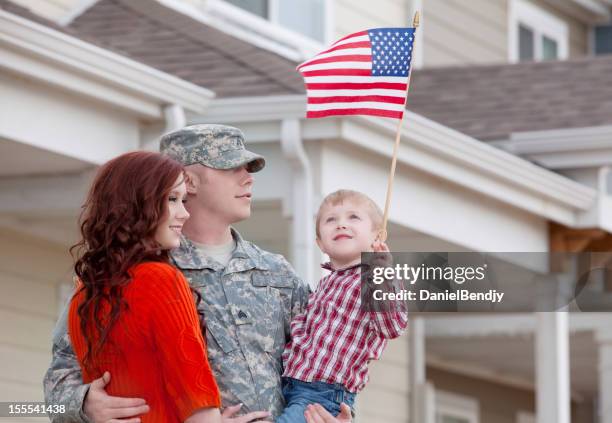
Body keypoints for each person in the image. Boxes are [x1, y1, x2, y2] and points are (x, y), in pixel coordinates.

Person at [44, 124, 320, 422]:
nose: (248, 178)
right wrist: (83, 406)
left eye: (248, 168)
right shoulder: (130, 274)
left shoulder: (276, 272)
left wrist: (330, 412)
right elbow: (57, 383)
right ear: (188, 180)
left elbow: (337, 341)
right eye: (231, 167)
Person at [66, 151, 222, 422]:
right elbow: (198, 401)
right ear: (136, 205)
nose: (184, 213)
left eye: (183, 200)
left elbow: (17, 408)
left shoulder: (83, 295)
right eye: (172, 199)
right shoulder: (161, 280)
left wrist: (80, 407)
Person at [276, 190, 408, 423]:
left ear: (377, 237)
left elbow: (392, 326)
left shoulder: (374, 279)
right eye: (331, 220)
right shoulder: (326, 283)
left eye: (353, 217)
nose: (341, 225)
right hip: (290, 385)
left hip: (323, 394)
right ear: (320, 244)